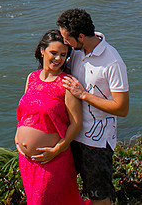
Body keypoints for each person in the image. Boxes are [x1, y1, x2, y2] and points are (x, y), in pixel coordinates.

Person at [57, 9, 129, 205]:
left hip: (96, 143)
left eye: (67, 38)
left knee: (99, 197)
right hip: (73, 134)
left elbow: (122, 108)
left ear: (81, 36)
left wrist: (84, 95)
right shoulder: (77, 52)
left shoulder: (112, 61)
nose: (65, 43)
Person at [15, 29, 88, 205]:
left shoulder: (66, 83)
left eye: (63, 55)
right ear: (42, 51)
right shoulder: (31, 78)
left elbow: (76, 123)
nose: (58, 59)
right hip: (26, 161)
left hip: (53, 159)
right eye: (53, 53)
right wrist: (18, 138)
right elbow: (25, 113)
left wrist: (58, 149)